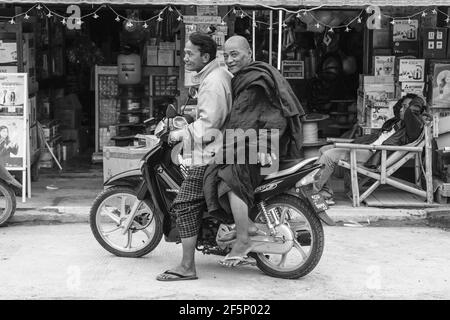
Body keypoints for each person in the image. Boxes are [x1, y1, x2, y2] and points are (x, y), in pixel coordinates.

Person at [203, 35, 305, 267]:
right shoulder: (246, 77)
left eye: (235, 54)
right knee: (218, 166)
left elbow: (274, 114)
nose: (229, 60)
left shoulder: (258, 79)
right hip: (248, 141)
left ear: (249, 54)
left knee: (230, 175)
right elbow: (242, 116)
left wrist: (264, 145)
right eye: (226, 55)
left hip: (262, 145)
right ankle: (243, 224)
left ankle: (244, 237)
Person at [156, 32, 233, 281]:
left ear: (206, 56)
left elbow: (209, 125)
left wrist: (179, 134)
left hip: (210, 154)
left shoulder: (212, 81)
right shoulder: (214, 76)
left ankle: (187, 266)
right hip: (219, 149)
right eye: (184, 53)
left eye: (190, 53)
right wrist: (190, 119)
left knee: (185, 205)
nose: (185, 58)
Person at [314, 93, 428, 204]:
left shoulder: (413, 127)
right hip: (368, 150)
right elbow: (397, 108)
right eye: (402, 106)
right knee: (323, 149)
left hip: (374, 156)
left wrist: (420, 99)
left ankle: (313, 193)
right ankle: (325, 193)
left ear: (413, 111)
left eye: (406, 107)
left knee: (329, 156)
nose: (402, 110)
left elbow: (410, 112)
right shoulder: (396, 122)